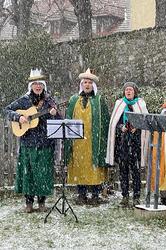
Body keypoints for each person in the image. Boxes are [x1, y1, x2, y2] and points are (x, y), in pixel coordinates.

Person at [4, 68, 59, 213]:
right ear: (31, 86)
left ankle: (41, 202)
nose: (38, 86)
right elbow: (7, 110)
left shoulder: (49, 101)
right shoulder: (24, 100)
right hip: (28, 143)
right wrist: (18, 117)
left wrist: (54, 113)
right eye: (35, 84)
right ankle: (29, 203)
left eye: (40, 84)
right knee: (28, 174)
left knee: (43, 174)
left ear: (43, 85)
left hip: (45, 143)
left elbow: (58, 119)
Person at [66, 68, 110, 205]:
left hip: (94, 141)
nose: (87, 85)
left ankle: (95, 194)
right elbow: (68, 119)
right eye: (85, 82)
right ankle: (81, 194)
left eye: (89, 82)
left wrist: (103, 140)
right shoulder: (74, 100)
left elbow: (105, 121)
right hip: (78, 142)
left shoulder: (99, 100)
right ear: (81, 84)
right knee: (80, 166)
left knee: (94, 166)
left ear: (93, 85)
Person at [106, 82, 148, 207]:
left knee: (135, 171)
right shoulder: (120, 104)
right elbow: (114, 123)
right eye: (126, 90)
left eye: (130, 90)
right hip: (123, 143)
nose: (128, 92)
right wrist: (121, 127)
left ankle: (136, 196)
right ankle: (125, 195)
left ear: (135, 92)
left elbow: (146, 123)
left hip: (135, 143)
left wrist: (138, 127)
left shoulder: (140, 104)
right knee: (123, 170)